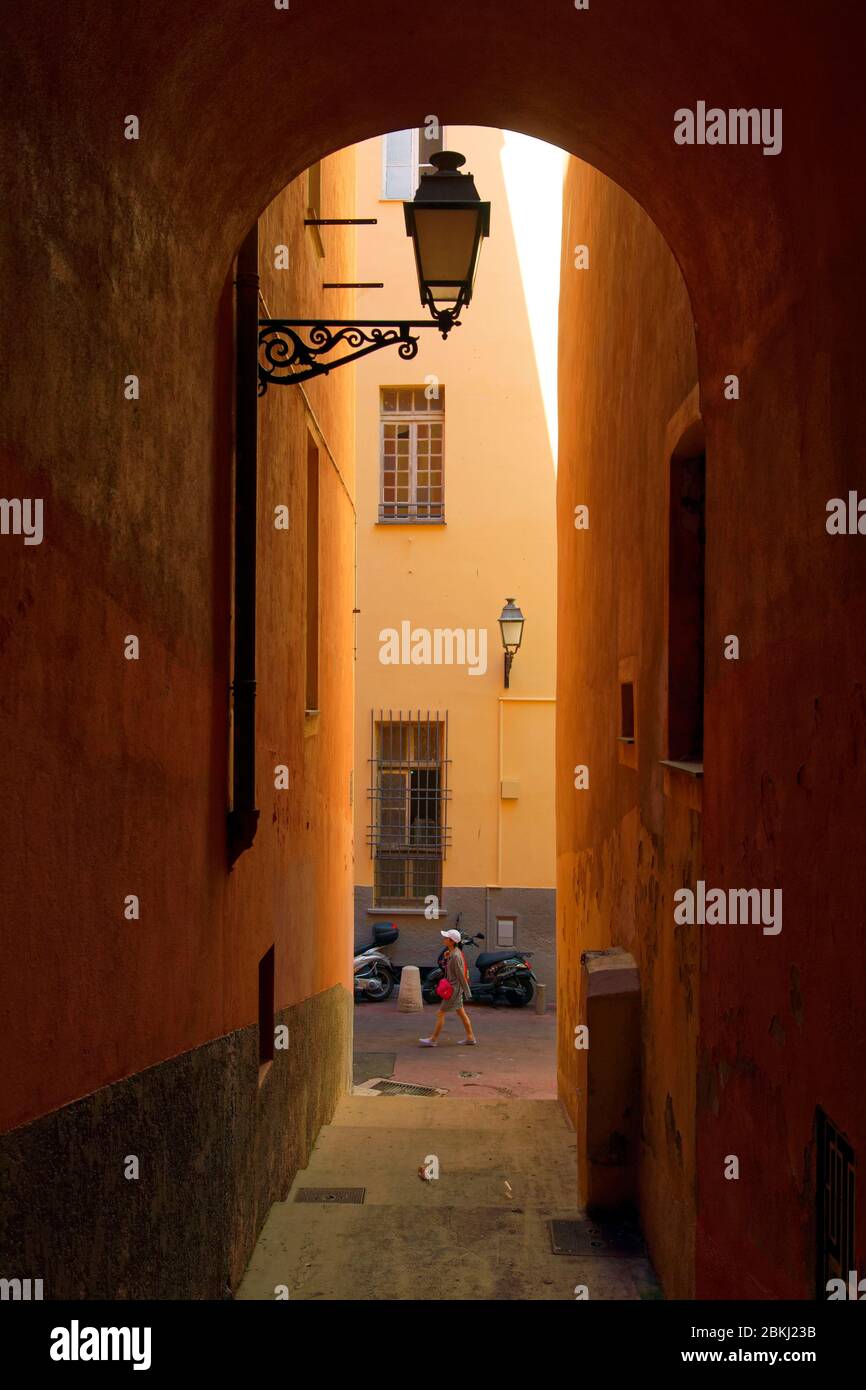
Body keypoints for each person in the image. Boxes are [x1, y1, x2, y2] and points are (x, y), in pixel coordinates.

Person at [419, 928, 477, 1046]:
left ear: (451, 941)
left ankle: (433, 1039)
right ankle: (470, 1037)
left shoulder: (455, 956)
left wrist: (467, 991)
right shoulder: (453, 952)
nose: (444, 939)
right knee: (461, 1013)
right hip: (455, 988)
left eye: (446, 938)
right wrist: (446, 958)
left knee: (440, 1013)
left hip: (453, 990)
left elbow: (460, 975)